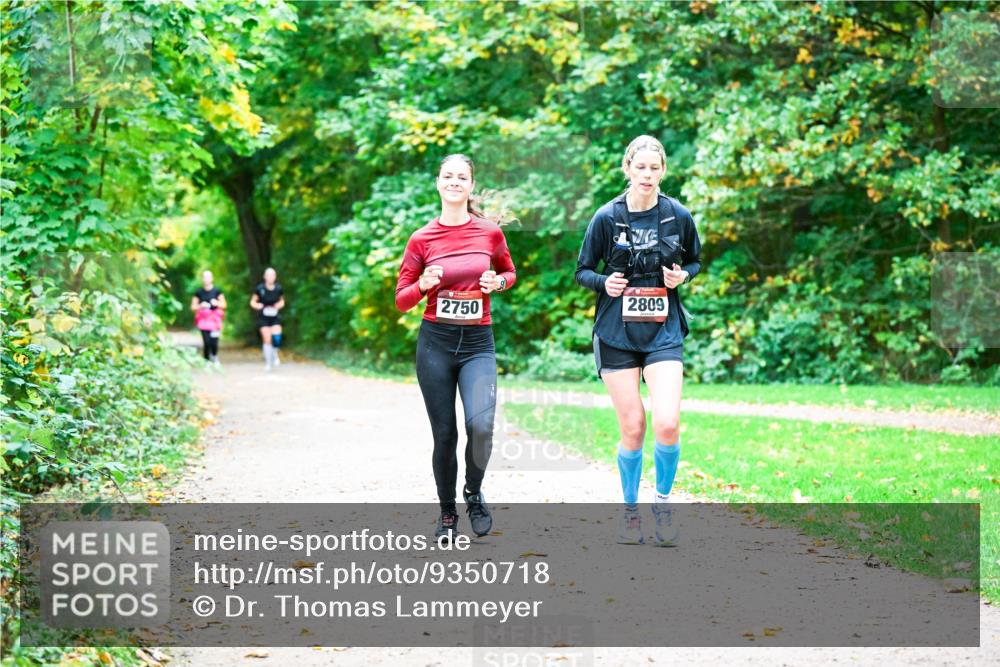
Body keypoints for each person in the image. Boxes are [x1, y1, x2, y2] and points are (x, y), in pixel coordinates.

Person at [575, 135, 702, 546]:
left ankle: (662, 504)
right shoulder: (606, 217)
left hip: (663, 329)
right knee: (634, 426)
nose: (647, 175)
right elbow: (582, 271)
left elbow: (696, 260)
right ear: (627, 169)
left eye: (654, 168)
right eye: (640, 167)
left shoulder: (677, 214)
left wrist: (682, 276)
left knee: (667, 423)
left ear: (663, 171)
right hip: (617, 331)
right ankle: (630, 513)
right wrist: (603, 282)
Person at [395, 154, 517, 541]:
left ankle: (473, 493)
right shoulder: (422, 238)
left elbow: (509, 273)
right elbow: (401, 299)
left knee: (481, 427)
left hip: (478, 343)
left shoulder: (489, 233)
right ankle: (447, 513)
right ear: (438, 183)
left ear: (470, 186)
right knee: (445, 435)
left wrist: (496, 284)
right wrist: (424, 286)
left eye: (461, 177)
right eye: (448, 176)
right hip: (436, 344)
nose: (454, 182)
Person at [250, 267, 285, 371]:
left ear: (275, 277)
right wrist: (258, 306)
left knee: (277, 338)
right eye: (268, 275)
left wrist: (279, 305)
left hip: (274, 316)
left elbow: (282, 301)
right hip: (263, 317)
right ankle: (268, 363)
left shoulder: (278, 288)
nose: (270, 277)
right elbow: (252, 302)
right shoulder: (260, 289)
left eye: (272, 275)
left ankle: (275, 353)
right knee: (267, 339)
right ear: (265, 277)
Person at [191, 270, 226, 363]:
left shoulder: (217, 291)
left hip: (214, 320)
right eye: (205, 277)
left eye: (208, 277)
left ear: (212, 278)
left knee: (214, 341)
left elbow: (224, 305)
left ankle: (214, 356)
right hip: (203, 320)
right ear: (202, 279)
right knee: (206, 341)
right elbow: (193, 307)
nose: (207, 279)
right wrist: (200, 306)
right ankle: (206, 360)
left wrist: (217, 303)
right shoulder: (199, 292)